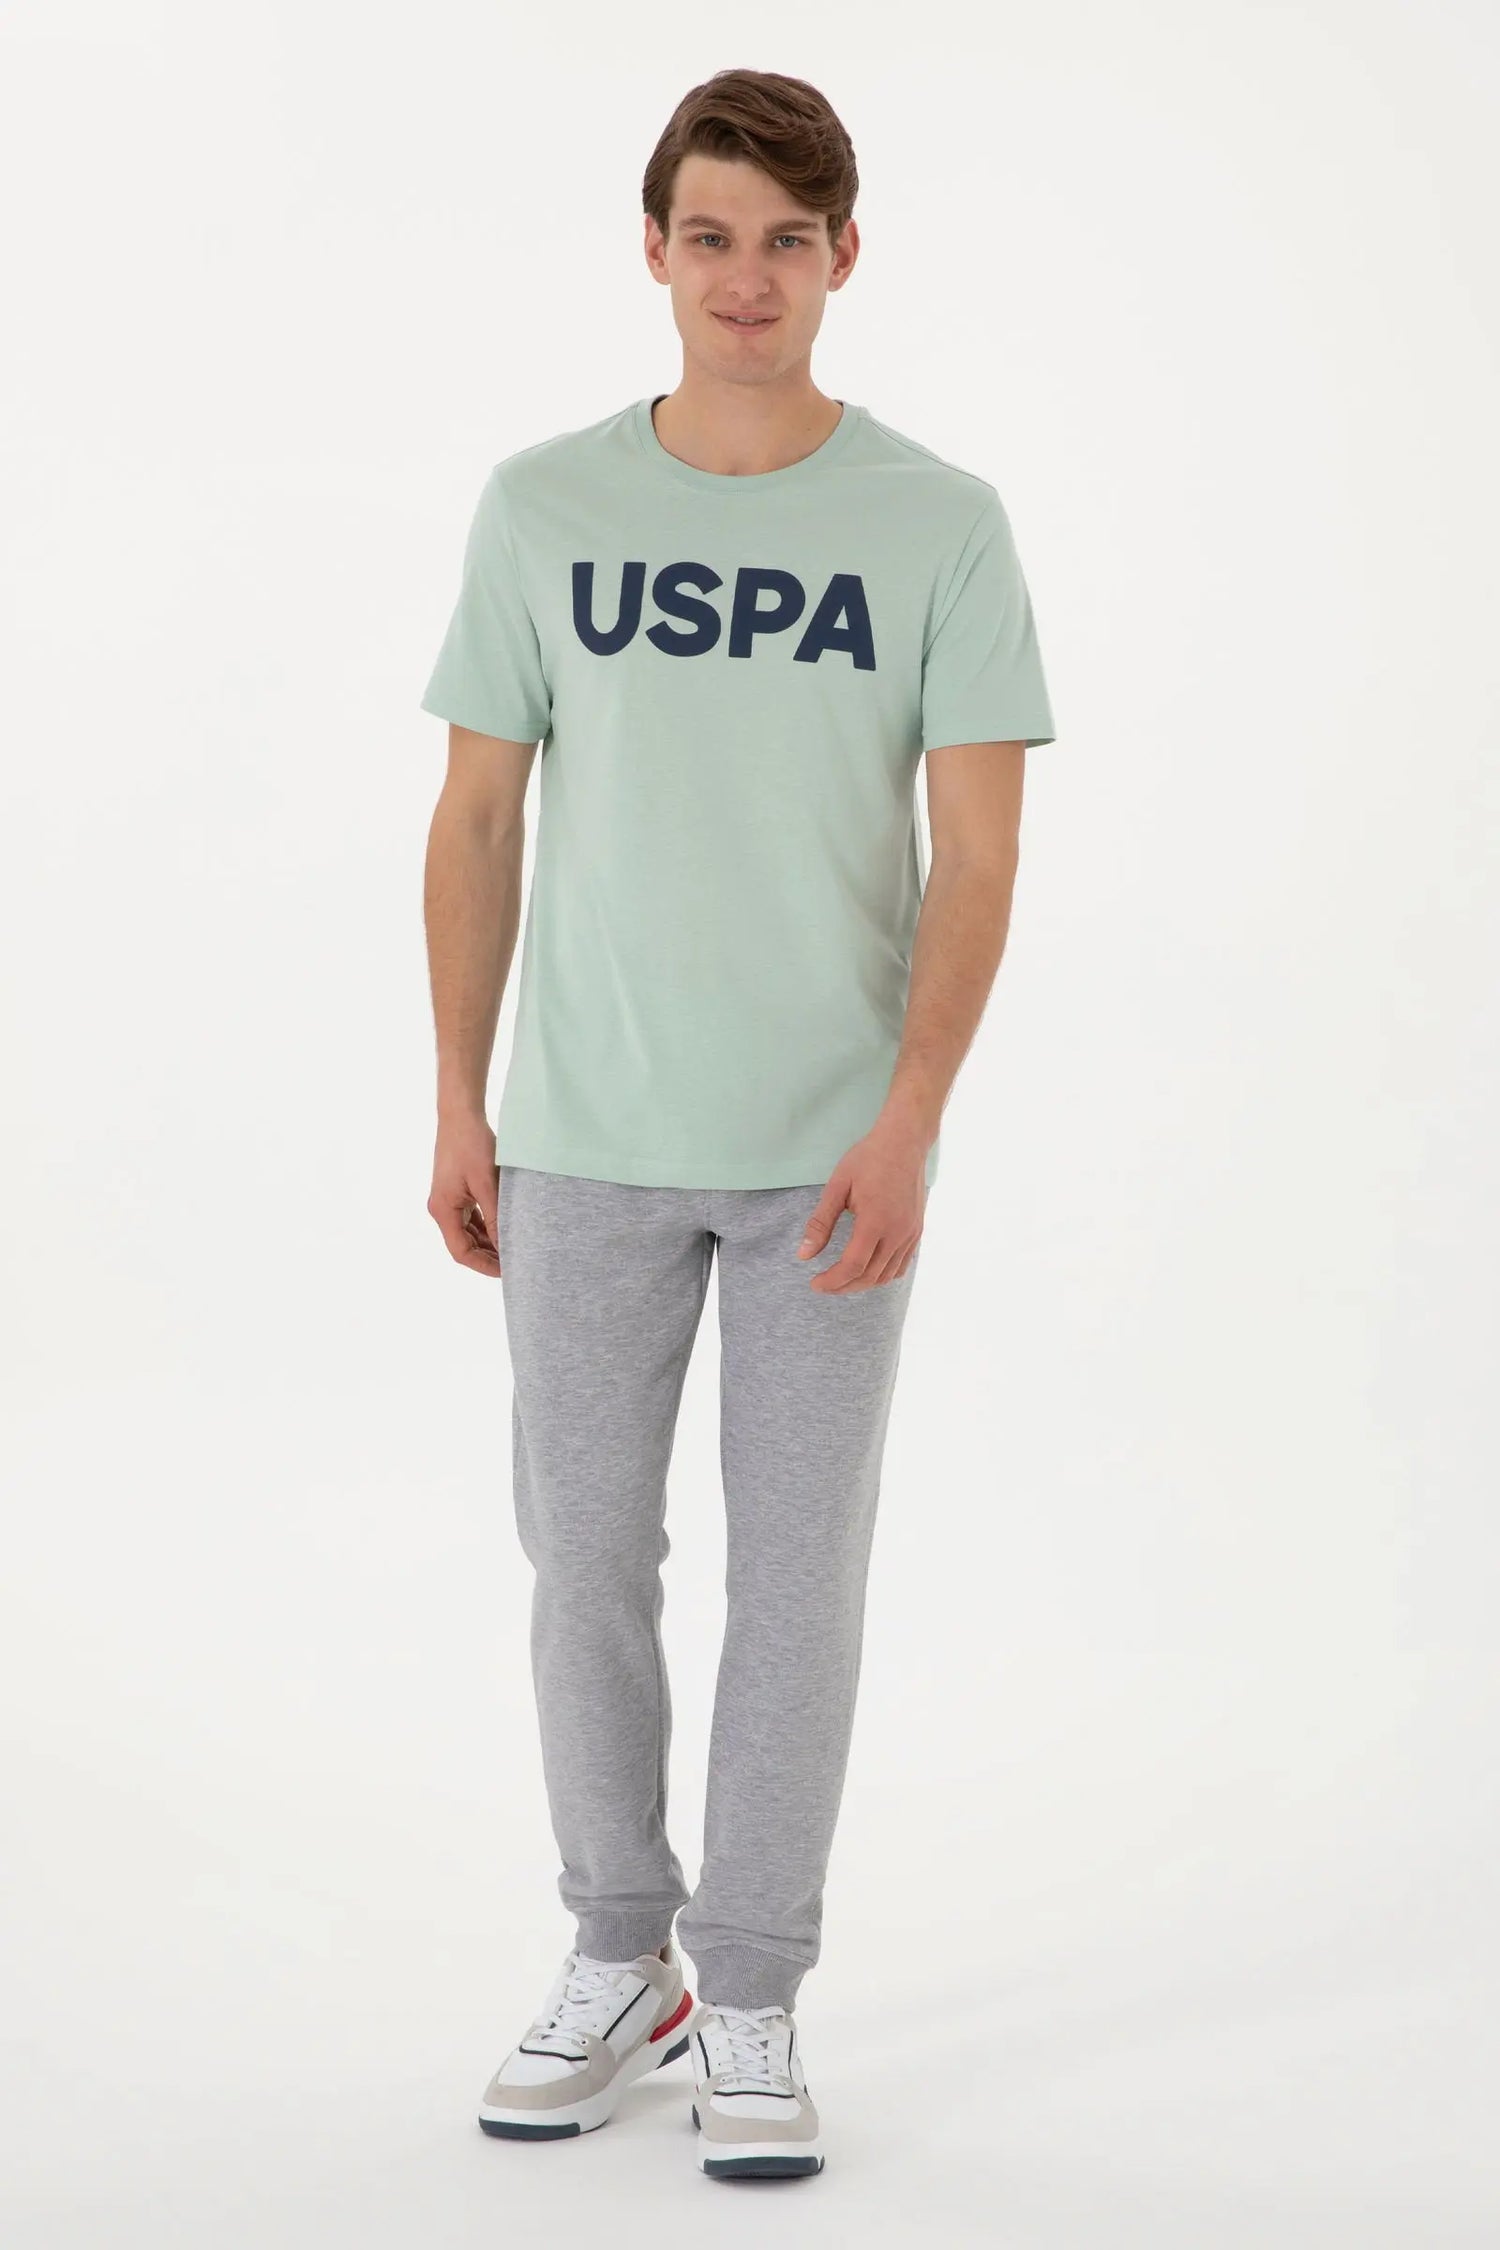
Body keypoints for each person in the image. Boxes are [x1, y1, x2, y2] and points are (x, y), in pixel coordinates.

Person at [417, 67, 1056, 2181]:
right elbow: (479, 813)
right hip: (583, 1138)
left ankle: (755, 1981)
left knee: (797, 1581)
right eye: (712, 236)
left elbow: (978, 855)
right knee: (586, 1561)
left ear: (845, 254)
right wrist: (458, 1095)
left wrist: (912, 1116)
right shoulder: (542, 505)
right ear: (655, 250)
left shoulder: (940, 522)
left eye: (789, 239)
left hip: (827, 1161)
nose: (749, 277)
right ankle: (625, 1952)